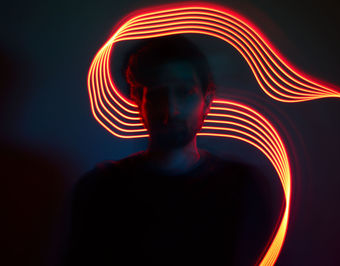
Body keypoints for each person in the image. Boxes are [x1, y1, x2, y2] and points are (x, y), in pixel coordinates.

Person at [62, 34, 280, 266]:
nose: (171, 110)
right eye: (156, 94)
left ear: (207, 101)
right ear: (138, 99)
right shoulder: (101, 190)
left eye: (184, 93)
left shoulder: (243, 188)